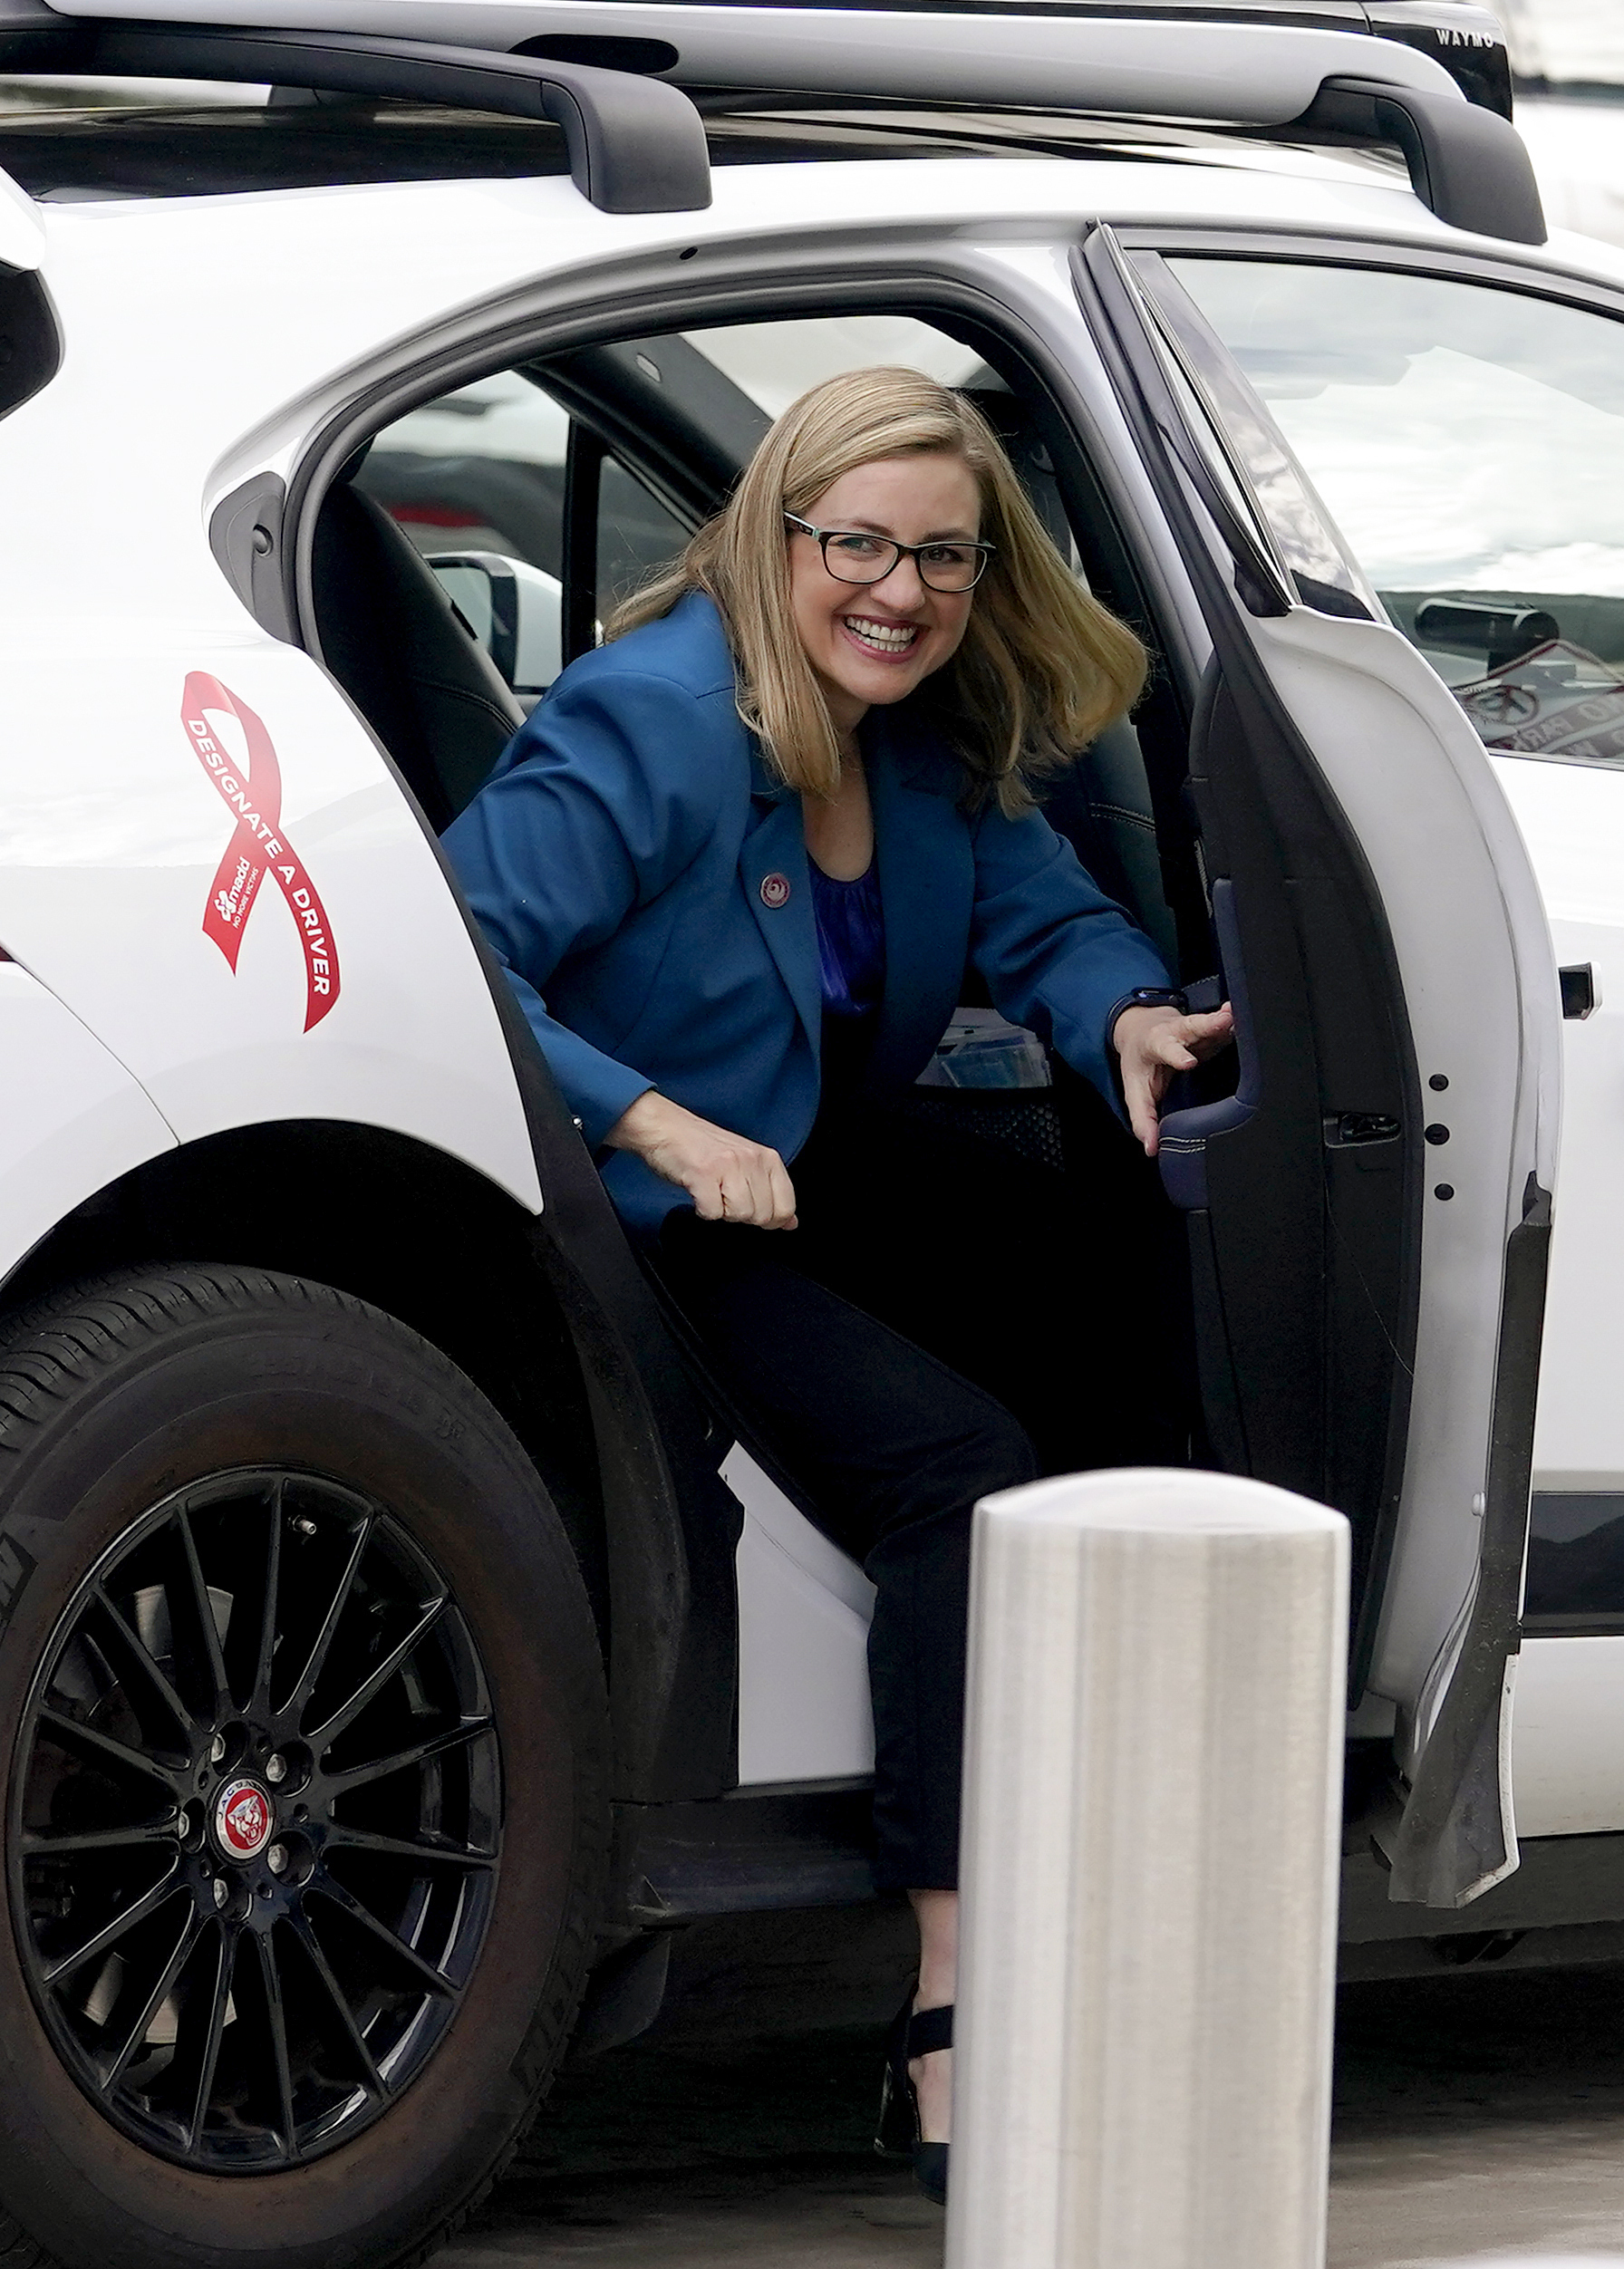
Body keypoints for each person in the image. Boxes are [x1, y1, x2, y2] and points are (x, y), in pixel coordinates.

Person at [439, 363, 1232, 2203]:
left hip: (812, 1166)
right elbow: (449, 951)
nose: (899, 590)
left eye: (940, 555)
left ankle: (1123, 1835)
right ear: (771, 536)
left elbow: (1047, 911)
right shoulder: (648, 722)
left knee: (1144, 1323)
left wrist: (1115, 1006)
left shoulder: (929, 731)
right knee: (952, 1471)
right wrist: (640, 1116)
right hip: (638, 1218)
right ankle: (952, 1987)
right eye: (855, 545)